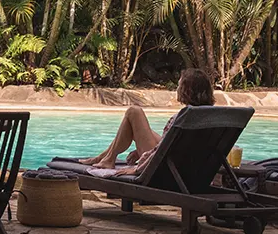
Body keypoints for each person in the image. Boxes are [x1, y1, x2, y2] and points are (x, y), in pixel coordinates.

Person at [78, 68, 215, 174]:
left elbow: (162, 150)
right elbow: (176, 146)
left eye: (179, 85)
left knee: (134, 112)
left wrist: (138, 168)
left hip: (165, 169)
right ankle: (106, 156)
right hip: (188, 168)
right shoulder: (213, 118)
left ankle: (108, 158)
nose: (177, 89)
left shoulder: (182, 119)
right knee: (140, 125)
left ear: (187, 90)